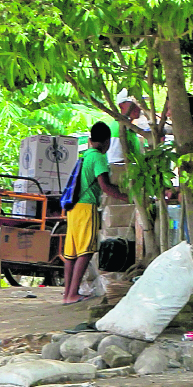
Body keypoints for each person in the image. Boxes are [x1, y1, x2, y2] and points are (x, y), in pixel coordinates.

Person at [62, 122, 127, 305]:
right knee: (86, 251)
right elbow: (105, 186)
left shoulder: (85, 156)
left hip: (73, 208)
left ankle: (67, 294)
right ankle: (73, 293)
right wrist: (127, 197)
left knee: (71, 254)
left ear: (90, 140)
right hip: (86, 207)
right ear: (107, 142)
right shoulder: (98, 158)